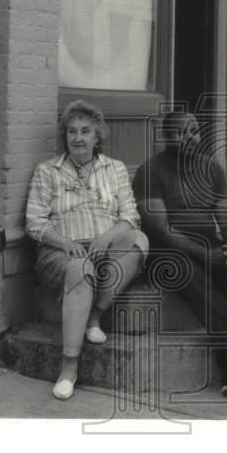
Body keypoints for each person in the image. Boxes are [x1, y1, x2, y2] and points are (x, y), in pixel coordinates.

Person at [133, 111, 227, 397]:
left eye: (195, 131)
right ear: (167, 137)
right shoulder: (149, 172)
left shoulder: (212, 169)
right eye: (181, 132)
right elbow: (162, 231)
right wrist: (208, 256)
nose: (190, 137)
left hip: (203, 242)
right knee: (189, 270)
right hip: (166, 252)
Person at [25, 100, 149, 400]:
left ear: (97, 136)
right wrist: (66, 244)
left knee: (138, 240)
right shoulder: (47, 171)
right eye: (71, 131)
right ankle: (69, 368)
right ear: (65, 136)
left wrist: (106, 238)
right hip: (62, 250)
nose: (78, 138)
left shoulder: (115, 169)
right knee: (80, 271)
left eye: (85, 131)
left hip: (104, 245)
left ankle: (95, 315)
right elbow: (34, 222)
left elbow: (130, 215)